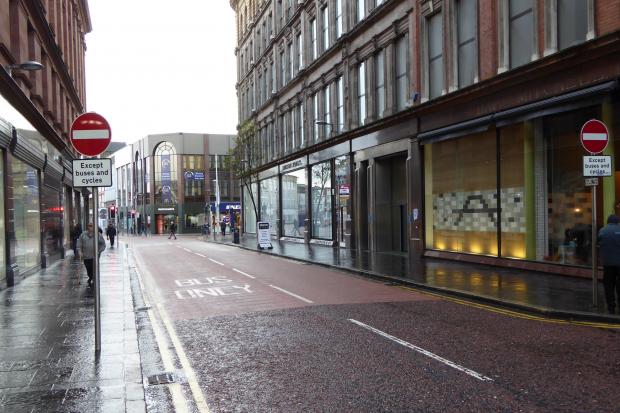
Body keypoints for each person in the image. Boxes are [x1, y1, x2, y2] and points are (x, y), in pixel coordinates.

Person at [598, 214, 620, 314]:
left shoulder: (602, 230)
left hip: (608, 263)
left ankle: (611, 307)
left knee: (608, 285)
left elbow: (597, 243)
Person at [77, 223, 106, 288]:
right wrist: (80, 251)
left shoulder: (98, 235)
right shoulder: (83, 235)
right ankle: (91, 277)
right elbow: (79, 244)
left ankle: (92, 279)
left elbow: (103, 244)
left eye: (92, 226)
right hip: (86, 256)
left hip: (95, 256)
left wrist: (99, 251)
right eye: (89, 226)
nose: (91, 227)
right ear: (88, 227)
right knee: (88, 269)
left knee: (93, 268)